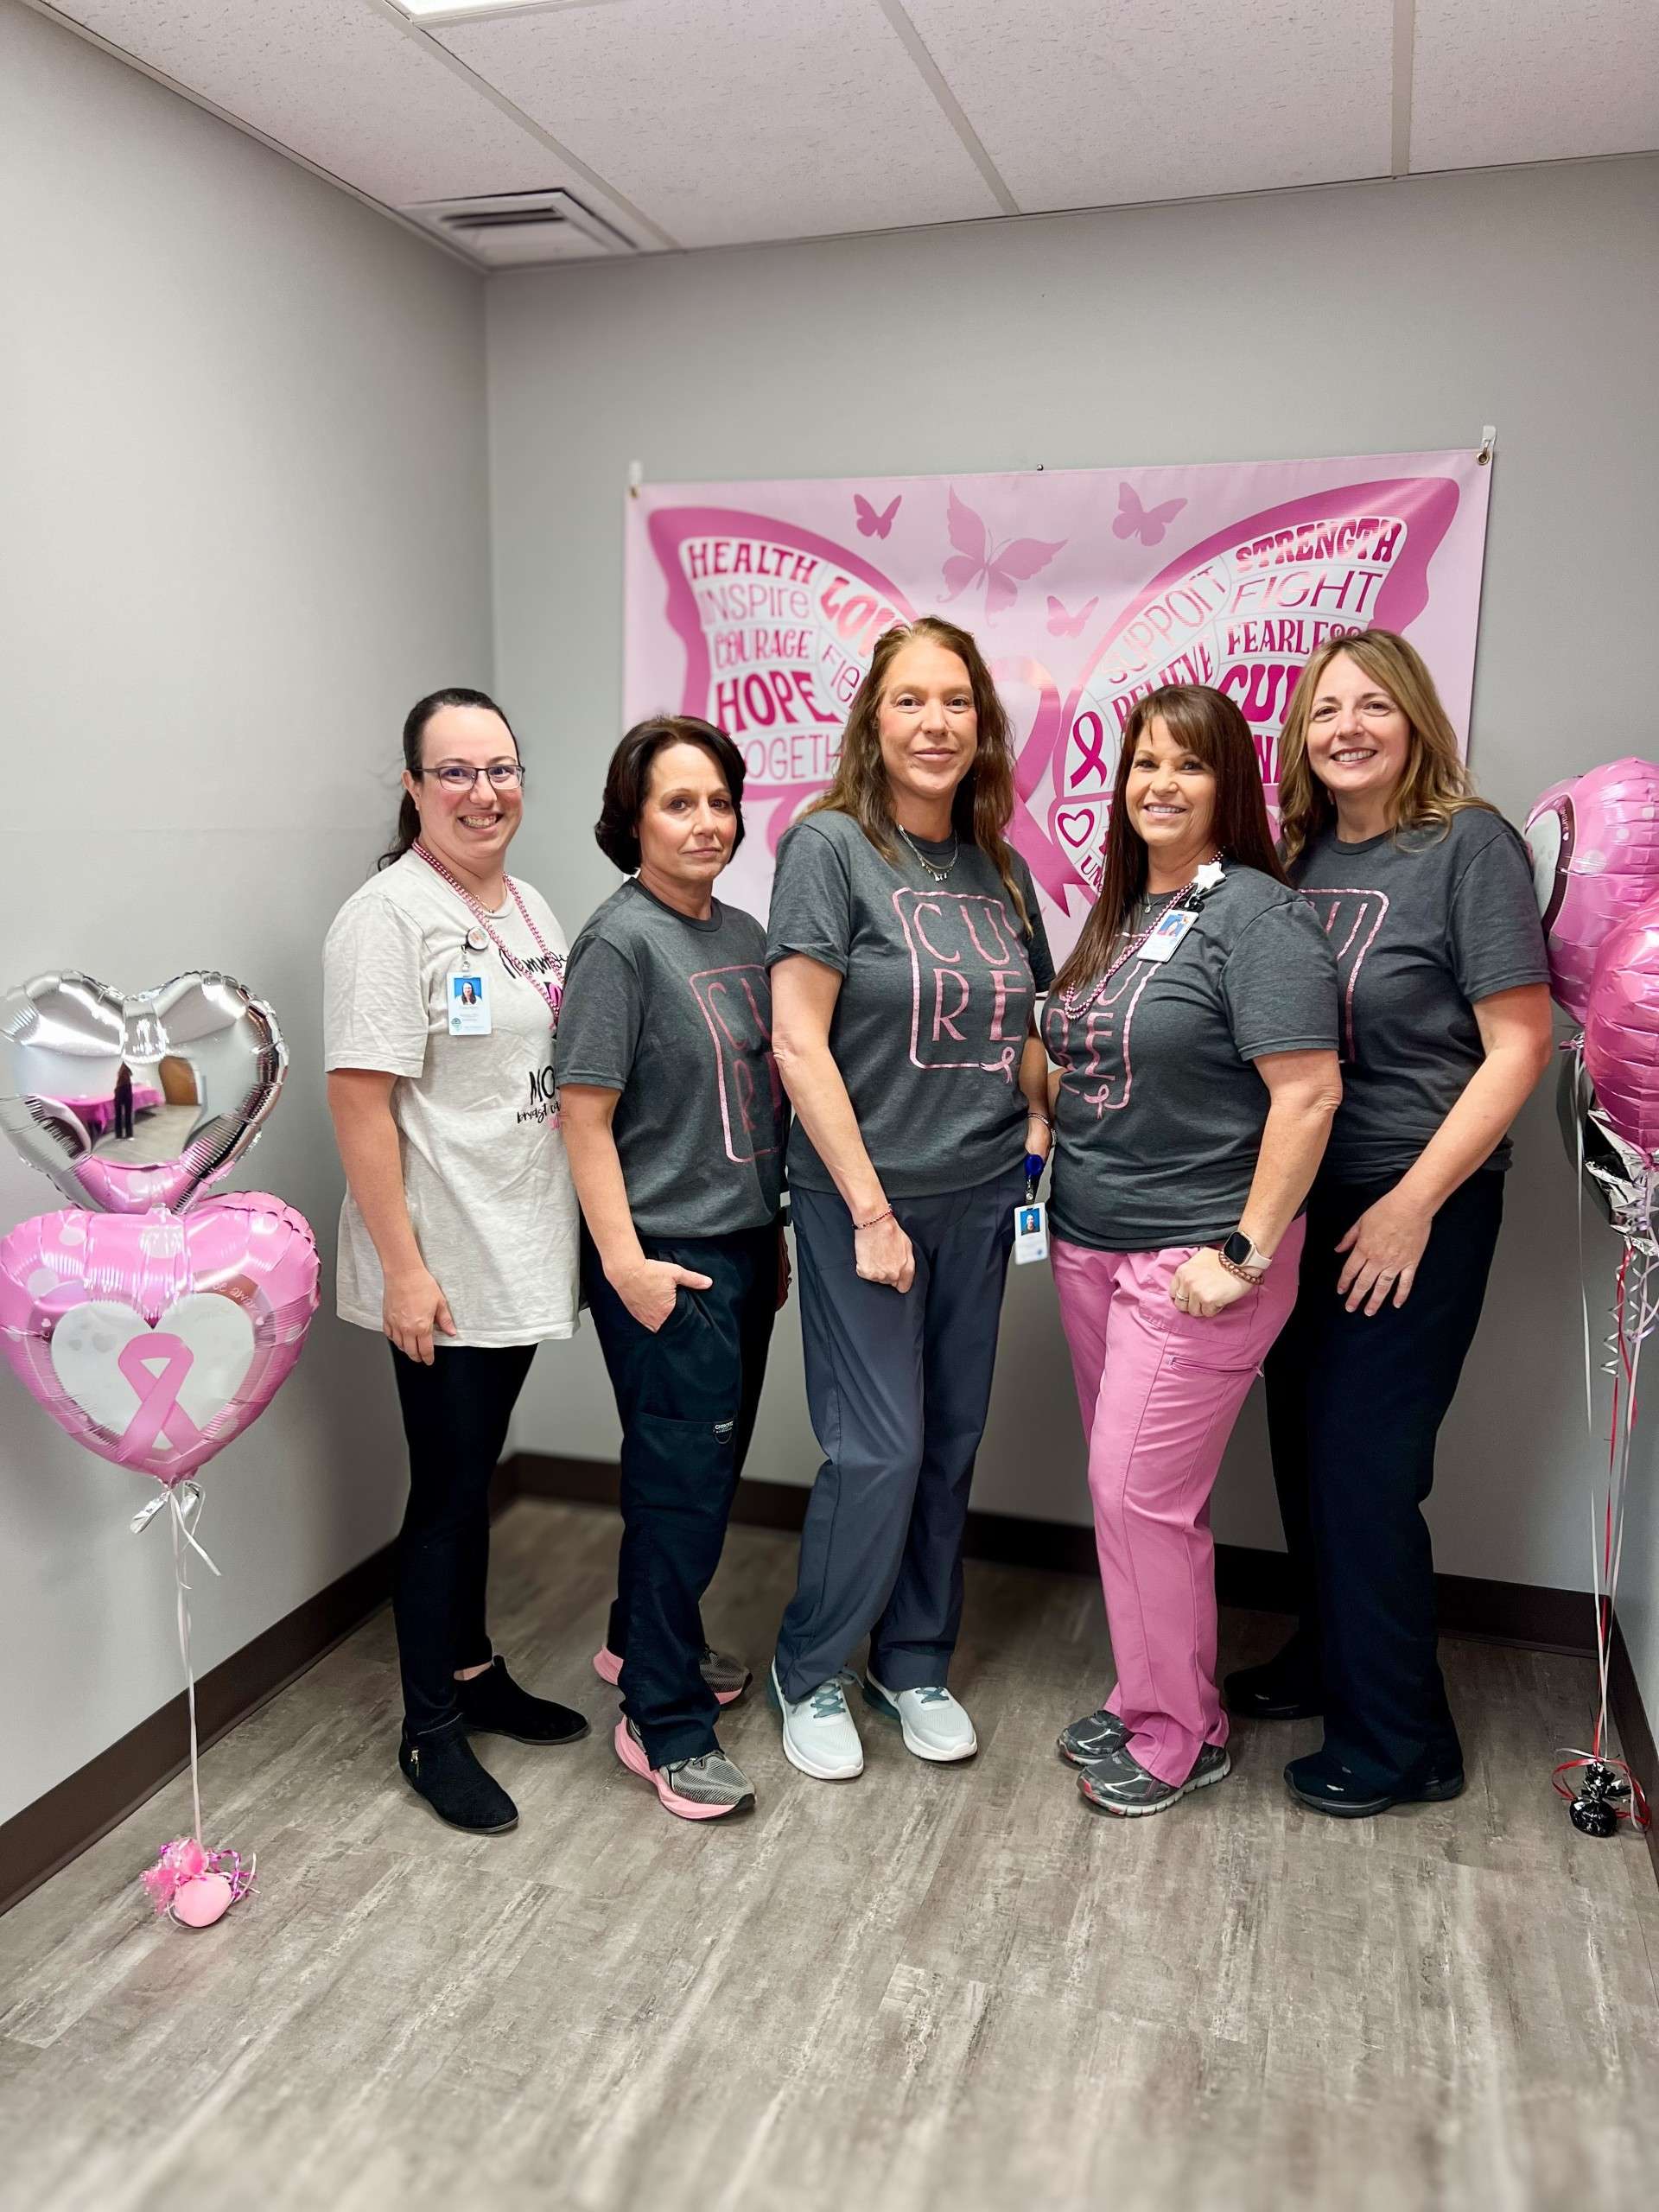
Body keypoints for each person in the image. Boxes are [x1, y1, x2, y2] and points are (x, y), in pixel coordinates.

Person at [1228, 631, 1553, 1817]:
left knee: (1366, 1468)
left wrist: (1415, 1204)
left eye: (1374, 705)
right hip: (1302, 1196)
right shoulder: (1297, 861)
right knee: (1302, 1446)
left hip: (1416, 1202)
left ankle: (1406, 1737)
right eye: (1325, 712)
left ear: (1416, 719)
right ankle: (1329, 1659)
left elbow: (1521, 1045)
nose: (1348, 728)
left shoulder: (1467, 842)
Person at [1045, 684, 1341, 1816]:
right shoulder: (1126, 910)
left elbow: (1308, 1093)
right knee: (1127, 1499)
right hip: (1090, 1241)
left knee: (1137, 1494)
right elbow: (1078, 1045)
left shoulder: (1256, 913)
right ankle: (1145, 1695)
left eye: (1189, 765)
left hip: (1196, 1259)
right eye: (1143, 764)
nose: (1159, 784)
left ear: (1230, 785)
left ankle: (1181, 1734)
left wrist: (1246, 1251)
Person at [766, 615, 1053, 1781]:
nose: (935, 724)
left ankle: (914, 1657)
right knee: (875, 1449)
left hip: (980, 1197)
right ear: (871, 723)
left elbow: (1020, 1028)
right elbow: (797, 1041)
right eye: (909, 702)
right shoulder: (829, 848)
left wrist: (1039, 1112)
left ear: (982, 726)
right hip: (860, 1201)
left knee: (946, 1443)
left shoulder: (1005, 868)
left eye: (956, 703)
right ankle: (813, 1666)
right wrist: (871, 1211)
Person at [324, 686, 586, 1837]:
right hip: (441, 1256)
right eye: (458, 773)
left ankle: (474, 1674)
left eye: (502, 769)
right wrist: (405, 1270)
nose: (485, 792)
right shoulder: (387, 920)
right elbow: (361, 1106)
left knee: (470, 1476)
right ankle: (429, 1728)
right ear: (414, 788)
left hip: (518, 1239)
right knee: (444, 1493)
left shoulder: (529, 904)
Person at [559, 716, 789, 1822]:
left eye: (717, 801)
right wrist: (629, 1267)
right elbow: (584, 1117)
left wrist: (772, 1233)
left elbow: (751, 1110)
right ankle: (662, 1715)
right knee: (681, 1484)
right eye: (677, 803)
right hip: (666, 1262)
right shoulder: (621, 943)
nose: (705, 822)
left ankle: (635, 1644)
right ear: (632, 819)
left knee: (703, 1472)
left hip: (743, 1248)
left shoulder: (742, 932)